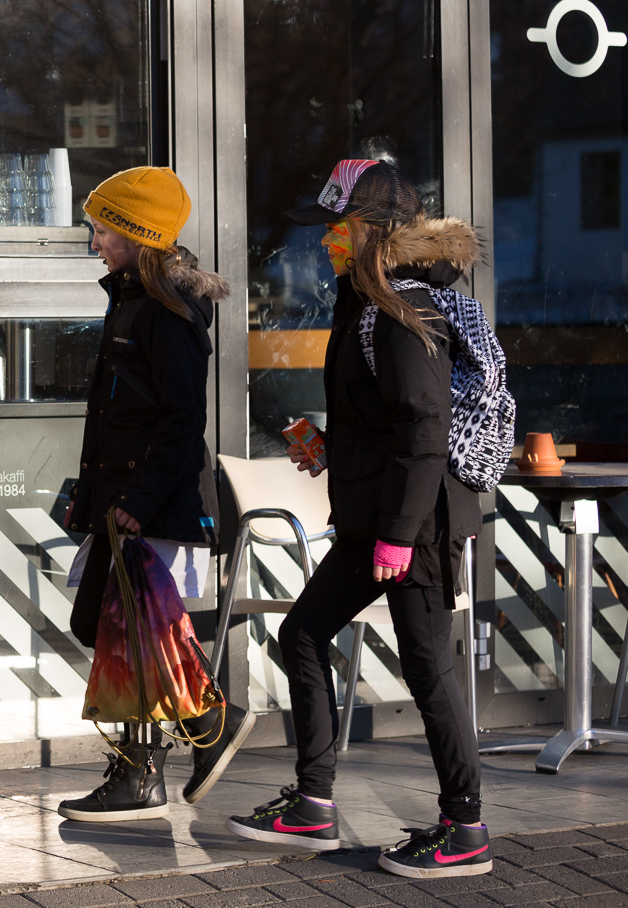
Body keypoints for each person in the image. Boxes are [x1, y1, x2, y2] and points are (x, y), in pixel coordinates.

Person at [225, 160, 491, 879]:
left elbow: (423, 427)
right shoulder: (367, 304)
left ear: (370, 231)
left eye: (337, 231)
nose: (326, 245)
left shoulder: (404, 311)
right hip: (378, 517)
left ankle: (464, 828)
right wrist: (328, 447)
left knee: (428, 668)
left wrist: (401, 537)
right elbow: (383, 421)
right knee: (303, 632)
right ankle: (312, 805)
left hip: (414, 524)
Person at [57, 167, 254, 823]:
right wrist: (92, 497)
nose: (94, 242)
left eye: (103, 229)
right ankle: (204, 728)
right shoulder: (134, 302)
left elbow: (179, 424)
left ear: (138, 233)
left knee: (121, 630)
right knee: (114, 626)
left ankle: (143, 773)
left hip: (152, 505)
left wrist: (135, 502)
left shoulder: (164, 314)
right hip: (128, 499)